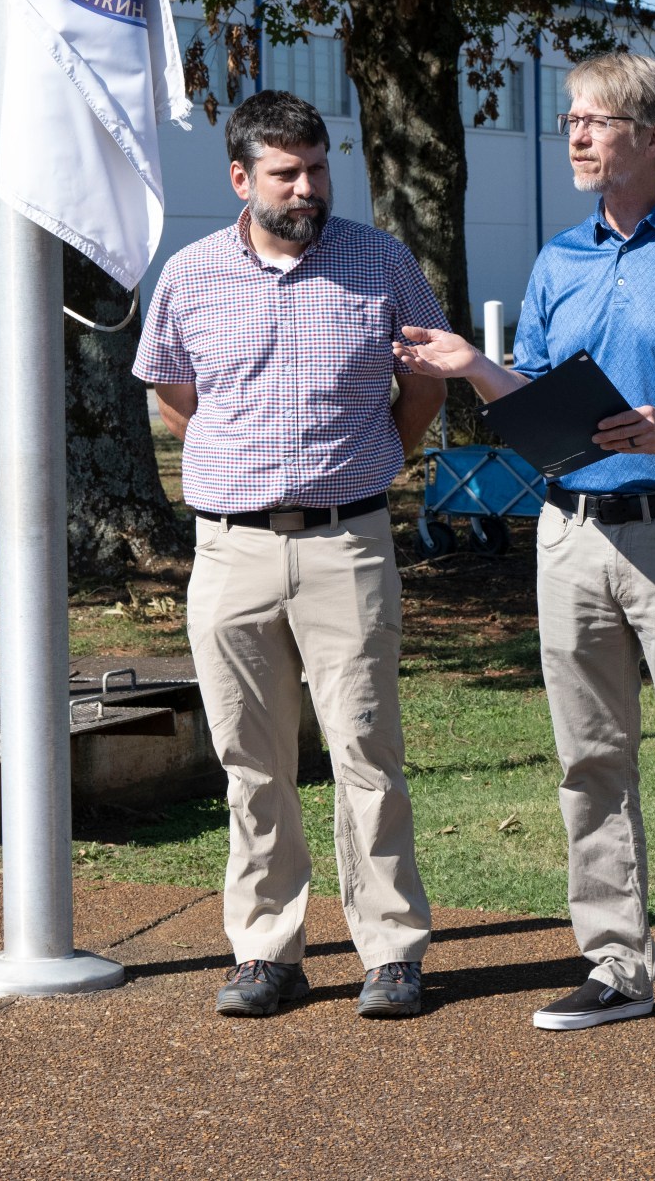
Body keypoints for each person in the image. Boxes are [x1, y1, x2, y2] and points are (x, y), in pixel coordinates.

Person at [396, 50, 655, 1046]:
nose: (574, 134)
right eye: (569, 119)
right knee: (588, 763)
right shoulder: (556, 260)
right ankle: (616, 965)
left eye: (594, 120)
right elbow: (531, 401)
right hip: (567, 536)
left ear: (652, 136)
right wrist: (473, 368)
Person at [133, 90, 450, 1020]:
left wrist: (372, 456)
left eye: (317, 167)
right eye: (287, 173)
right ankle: (267, 950)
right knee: (251, 758)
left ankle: (391, 951)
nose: (308, 187)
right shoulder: (188, 276)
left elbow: (425, 378)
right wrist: (244, 469)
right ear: (242, 178)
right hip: (230, 551)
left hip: (348, 541)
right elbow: (177, 398)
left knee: (365, 749)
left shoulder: (381, 261)